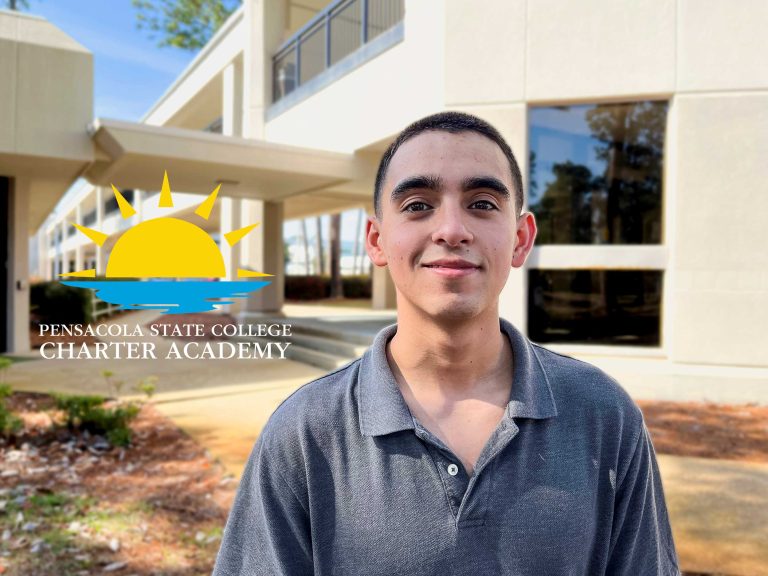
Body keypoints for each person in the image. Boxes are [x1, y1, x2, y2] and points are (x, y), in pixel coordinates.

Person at [212, 112, 680, 575]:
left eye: (482, 203)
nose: (452, 229)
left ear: (520, 239)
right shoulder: (304, 433)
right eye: (418, 204)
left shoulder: (604, 415)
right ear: (377, 240)